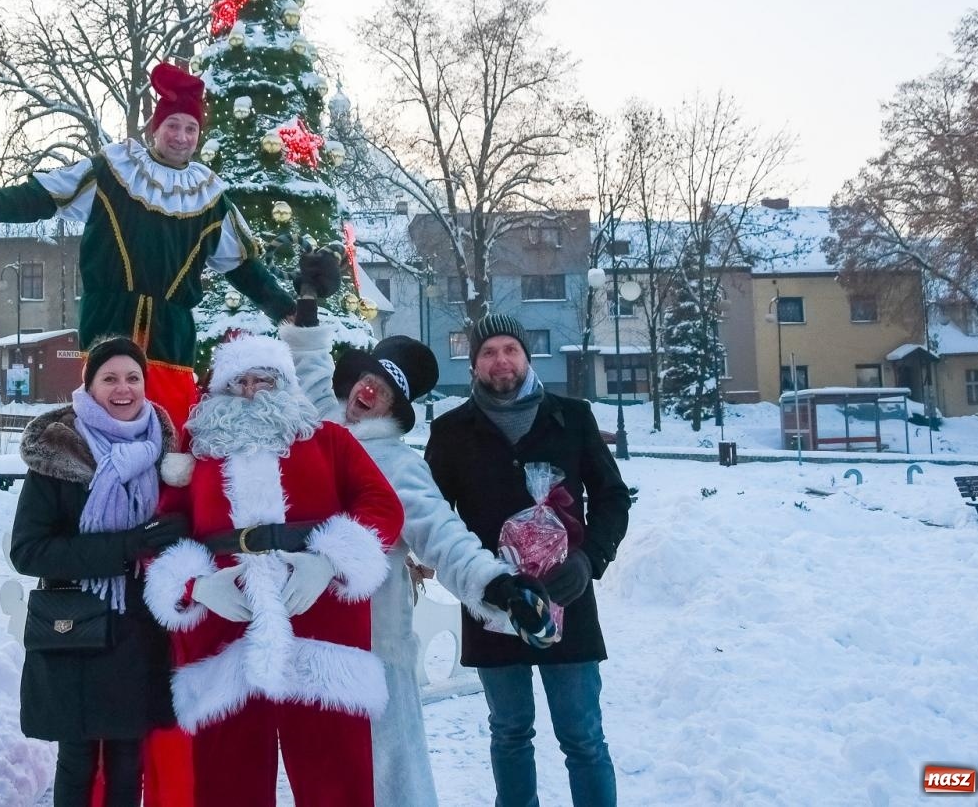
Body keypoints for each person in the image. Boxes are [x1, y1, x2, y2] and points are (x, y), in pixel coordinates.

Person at [280, 306, 554, 807]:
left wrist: (496, 584)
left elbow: (443, 535)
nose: (369, 391)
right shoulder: (323, 428)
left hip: (372, 643)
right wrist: (306, 310)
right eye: (368, 379)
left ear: (392, 408)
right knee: (318, 776)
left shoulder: (398, 466)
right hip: (306, 637)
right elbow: (313, 372)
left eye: (382, 390)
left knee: (389, 775)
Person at [0, 63, 297, 431]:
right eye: (173, 126)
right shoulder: (115, 170)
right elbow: (45, 194)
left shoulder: (209, 196)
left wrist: (286, 310)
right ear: (155, 128)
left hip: (172, 333)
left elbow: (242, 266)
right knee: (103, 428)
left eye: (190, 128)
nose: (181, 137)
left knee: (170, 430)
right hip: (108, 322)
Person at [143, 334, 404, 807]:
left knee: (336, 781)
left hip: (320, 628)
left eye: (264, 379)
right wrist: (195, 585)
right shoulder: (198, 455)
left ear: (284, 383)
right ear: (220, 391)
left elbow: (381, 505)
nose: (250, 391)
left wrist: (330, 561)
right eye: (238, 381)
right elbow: (161, 535)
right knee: (227, 785)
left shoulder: (329, 441)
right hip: (227, 635)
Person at [425, 314, 631, 807]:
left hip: (569, 600)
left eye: (510, 350)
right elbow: (434, 517)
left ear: (527, 357)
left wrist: (588, 561)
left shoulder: (572, 415)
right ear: (474, 363)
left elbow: (613, 498)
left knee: (583, 737)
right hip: (494, 606)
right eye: (489, 351)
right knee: (510, 732)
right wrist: (473, 577)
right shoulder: (452, 431)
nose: (501, 360)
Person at [8, 336, 190, 807]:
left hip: (139, 631)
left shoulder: (166, 451)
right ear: (89, 387)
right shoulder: (59, 452)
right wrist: (127, 546)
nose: (123, 388)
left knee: (129, 761)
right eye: (109, 378)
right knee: (78, 759)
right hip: (78, 631)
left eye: (133, 378)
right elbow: (29, 551)